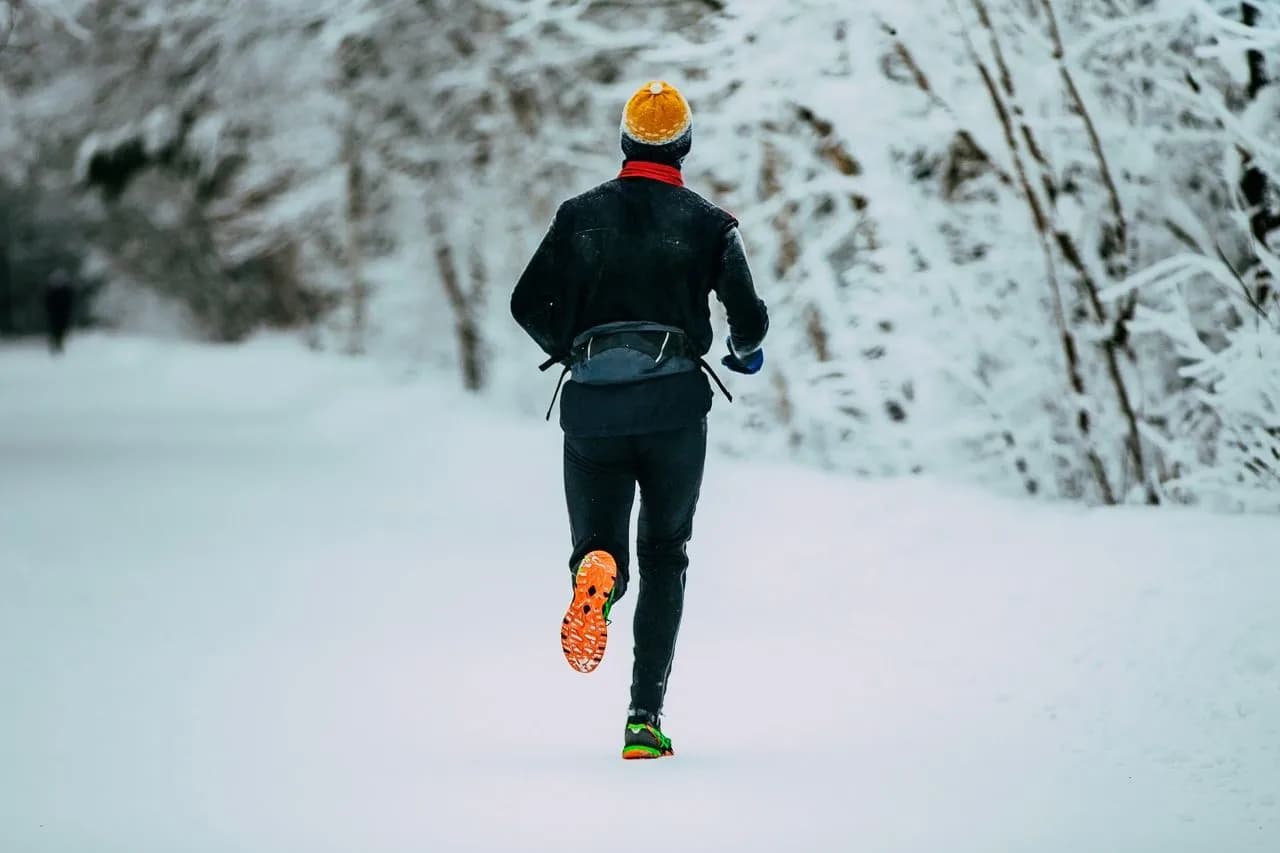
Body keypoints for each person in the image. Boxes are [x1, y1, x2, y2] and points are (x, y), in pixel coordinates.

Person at [511, 80, 769, 759]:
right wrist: (746, 354)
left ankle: (597, 570)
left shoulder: (577, 216)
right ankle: (643, 717)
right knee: (666, 554)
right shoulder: (710, 224)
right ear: (684, 146)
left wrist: (570, 345)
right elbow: (748, 321)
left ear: (624, 142)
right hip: (675, 412)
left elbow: (525, 301)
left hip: (593, 409)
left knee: (602, 544)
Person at [44, 269, 75, 355]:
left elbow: (69, 301)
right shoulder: (52, 289)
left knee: (60, 329)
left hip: (61, 313)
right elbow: (48, 301)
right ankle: (56, 344)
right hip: (55, 313)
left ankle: (58, 344)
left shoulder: (65, 289)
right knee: (55, 329)